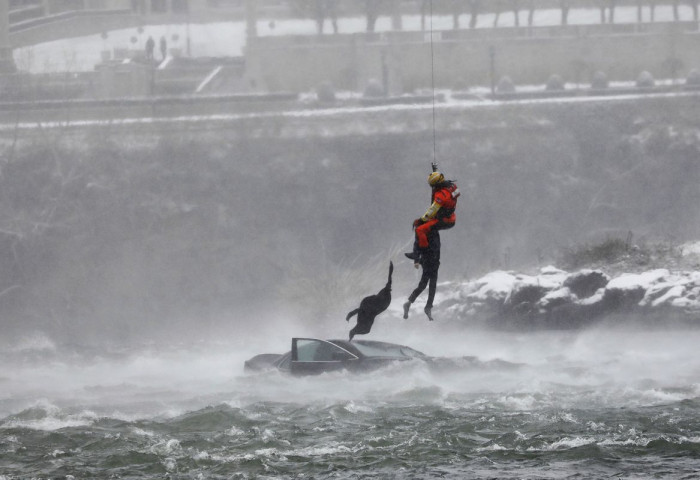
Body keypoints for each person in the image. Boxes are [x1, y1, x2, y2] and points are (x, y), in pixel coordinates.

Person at [405, 163, 459, 265]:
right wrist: (435, 170)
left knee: (420, 229)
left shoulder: (441, 195)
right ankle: (417, 253)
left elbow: (433, 210)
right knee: (421, 227)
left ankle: (422, 253)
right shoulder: (450, 186)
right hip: (449, 217)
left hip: (444, 220)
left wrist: (422, 219)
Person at [403, 229, 441, 321]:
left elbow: (436, 248)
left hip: (434, 262)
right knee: (424, 285)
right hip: (428, 262)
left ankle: (424, 306)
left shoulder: (434, 231)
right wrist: (416, 261)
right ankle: (411, 303)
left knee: (431, 286)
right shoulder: (422, 232)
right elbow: (417, 248)